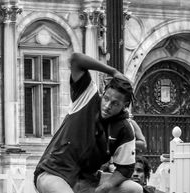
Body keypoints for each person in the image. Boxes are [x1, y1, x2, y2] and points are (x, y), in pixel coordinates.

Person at [34, 52, 141, 193]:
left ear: (125, 105)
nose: (107, 106)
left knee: (134, 189)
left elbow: (125, 168)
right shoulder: (87, 96)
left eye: (115, 103)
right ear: (103, 93)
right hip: (53, 173)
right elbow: (76, 59)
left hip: (87, 179)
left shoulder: (125, 129)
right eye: (106, 98)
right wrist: (113, 71)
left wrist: (106, 187)